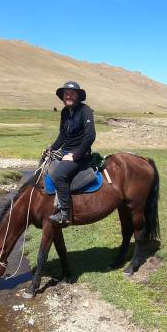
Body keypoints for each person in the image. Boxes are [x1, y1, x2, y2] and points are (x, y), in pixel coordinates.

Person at [45, 81, 96, 225]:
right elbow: (62, 135)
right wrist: (52, 149)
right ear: (62, 96)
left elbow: (90, 135)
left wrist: (76, 155)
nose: (69, 96)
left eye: (72, 93)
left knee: (59, 175)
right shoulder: (64, 112)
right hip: (66, 152)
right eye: (66, 93)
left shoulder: (85, 110)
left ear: (78, 96)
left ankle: (65, 213)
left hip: (81, 155)